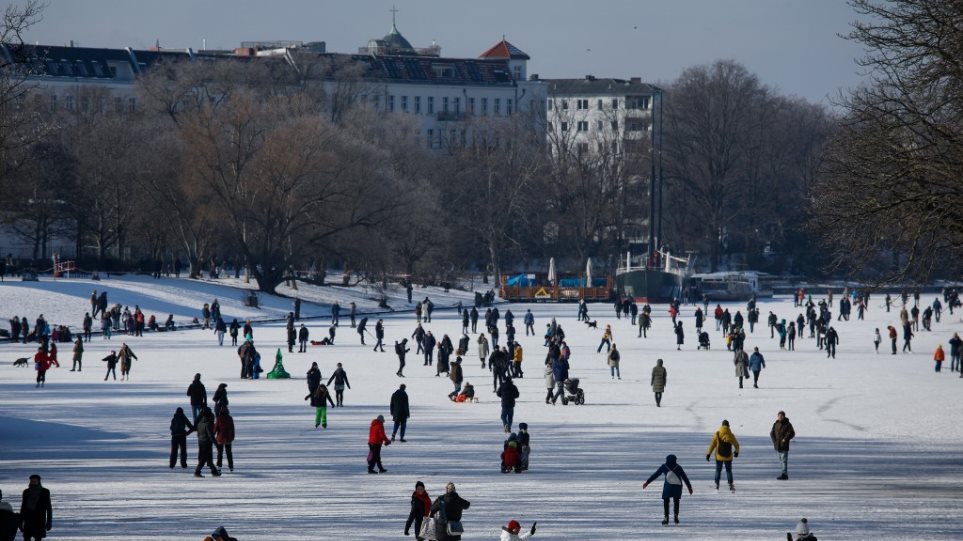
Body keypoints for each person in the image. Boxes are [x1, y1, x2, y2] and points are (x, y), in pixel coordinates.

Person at [642, 454, 693, 526]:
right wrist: (689, 487)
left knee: (666, 501)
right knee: (676, 501)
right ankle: (676, 516)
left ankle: (666, 518)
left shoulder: (664, 466)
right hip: (677, 486)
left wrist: (647, 482)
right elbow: (685, 477)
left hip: (668, 486)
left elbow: (656, 474)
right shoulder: (678, 467)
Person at [706, 420, 740, 491]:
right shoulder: (731, 435)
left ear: (722, 425)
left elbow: (713, 444)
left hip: (719, 456)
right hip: (728, 456)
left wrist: (708, 454)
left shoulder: (717, 434)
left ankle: (717, 484)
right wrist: (736, 452)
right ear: (728, 426)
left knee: (718, 470)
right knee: (728, 470)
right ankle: (730, 484)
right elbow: (736, 444)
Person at [19, 475, 52, 541]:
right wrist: (20, 521)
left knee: (38, 538)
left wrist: (49, 521)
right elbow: (23, 507)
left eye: (35, 481)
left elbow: (48, 507)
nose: (33, 482)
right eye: (32, 481)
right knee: (26, 538)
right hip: (28, 519)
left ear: (38, 482)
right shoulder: (26, 492)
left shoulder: (45, 492)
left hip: (39, 520)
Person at [194, 407, 220, 477]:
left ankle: (214, 471)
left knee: (208, 458)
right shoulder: (208, 423)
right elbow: (210, 435)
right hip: (207, 442)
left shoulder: (200, 422)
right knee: (205, 458)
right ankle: (197, 471)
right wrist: (216, 444)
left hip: (201, 441)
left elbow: (198, 433)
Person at [771, 410, 796, 480]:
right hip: (777, 446)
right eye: (779, 416)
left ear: (784, 416)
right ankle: (783, 473)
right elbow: (771, 433)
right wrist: (774, 441)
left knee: (784, 460)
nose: (780, 417)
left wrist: (786, 439)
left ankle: (784, 474)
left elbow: (792, 433)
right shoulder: (776, 424)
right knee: (780, 460)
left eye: (781, 416)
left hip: (784, 445)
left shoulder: (787, 424)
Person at [213, 407, 235, 472]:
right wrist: (232, 437)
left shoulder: (219, 418)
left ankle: (219, 466)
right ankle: (231, 466)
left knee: (220, 453)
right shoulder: (230, 418)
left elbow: (215, 428)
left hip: (220, 438)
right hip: (228, 438)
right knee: (229, 453)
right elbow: (232, 428)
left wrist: (212, 435)